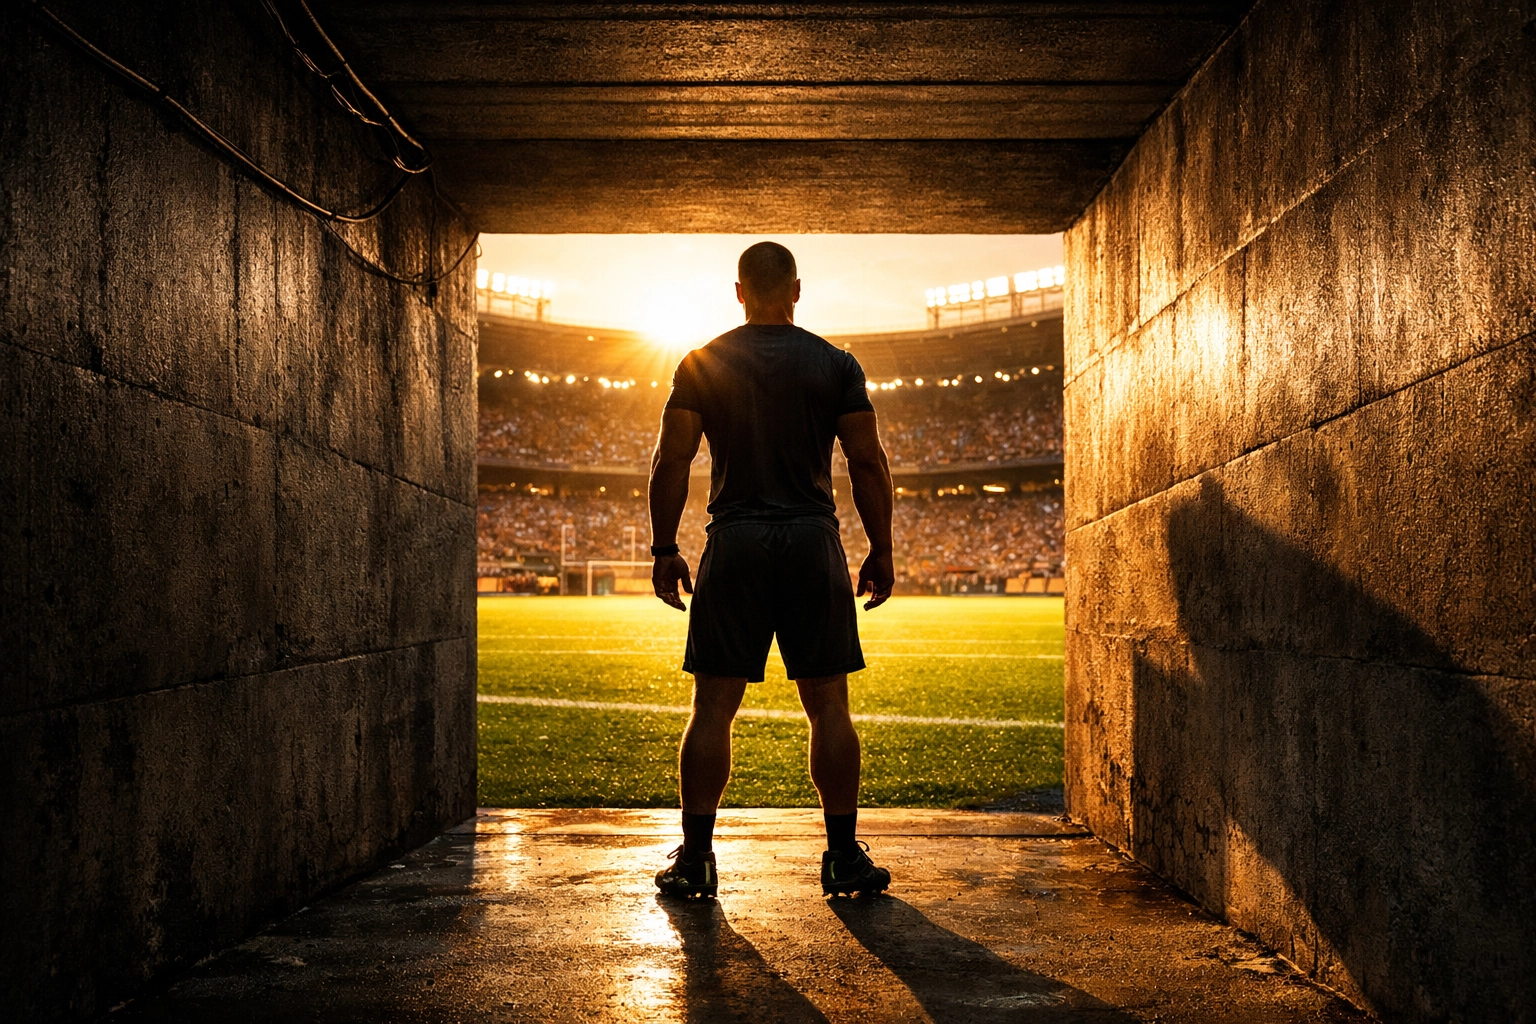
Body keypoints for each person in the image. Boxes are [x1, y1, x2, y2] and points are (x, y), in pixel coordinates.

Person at [647, 241, 896, 899]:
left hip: (735, 540)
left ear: (738, 292)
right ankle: (842, 857)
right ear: (796, 290)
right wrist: (882, 548)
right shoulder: (836, 363)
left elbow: (672, 460)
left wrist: (663, 547)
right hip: (812, 540)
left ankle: (696, 859)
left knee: (712, 708)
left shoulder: (701, 363)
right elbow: (868, 463)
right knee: (829, 706)